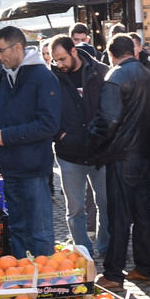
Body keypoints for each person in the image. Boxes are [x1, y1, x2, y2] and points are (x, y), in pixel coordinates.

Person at [90, 34, 150, 289]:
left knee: (119, 215)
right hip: (146, 153)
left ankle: (113, 273)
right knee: (143, 212)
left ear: (111, 55)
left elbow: (108, 121)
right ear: (132, 51)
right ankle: (145, 267)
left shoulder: (116, 76)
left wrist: (93, 144)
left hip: (123, 155)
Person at [0, 26, 61, 257]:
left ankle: (45, 284)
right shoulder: (8, 76)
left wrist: (6, 136)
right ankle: (21, 281)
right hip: (11, 166)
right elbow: (8, 116)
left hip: (33, 168)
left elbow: (49, 124)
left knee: (39, 231)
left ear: (17, 47)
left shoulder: (43, 77)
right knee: (17, 228)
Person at [49, 35, 110, 257]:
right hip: (68, 154)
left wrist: (104, 136)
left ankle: (106, 249)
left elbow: (112, 108)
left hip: (100, 151)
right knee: (75, 208)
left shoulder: (101, 71)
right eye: (56, 60)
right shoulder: (52, 77)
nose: (59, 64)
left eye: (62, 58)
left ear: (74, 51)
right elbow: (46, 111)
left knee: (105, 205)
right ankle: (83, 251)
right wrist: (60, 134)